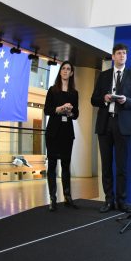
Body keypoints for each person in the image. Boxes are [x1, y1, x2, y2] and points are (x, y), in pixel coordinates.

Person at [91, 43, 131, 213]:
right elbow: (93, 100)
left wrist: (126, 100)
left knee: (121, 167)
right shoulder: (104, 75)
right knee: (106, 166)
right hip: (105, 124)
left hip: (123, 126)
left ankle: (121, 201)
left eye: (124, 53)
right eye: (119, 53)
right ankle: (108, 200)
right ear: (113, 56)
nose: (122, 56)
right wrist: (104, 98)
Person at [44, 61, 80, 211]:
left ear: (71, 73)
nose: (65, 71)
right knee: (52, 165)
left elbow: (76, 114)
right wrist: (59, 109)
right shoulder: (52, 90)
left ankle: (67, 197)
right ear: (60, 72)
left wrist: (70, 112)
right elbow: (47, 110)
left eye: (68, 69)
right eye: (63, 68)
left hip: (67, 133)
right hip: (53, 132)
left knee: (66, 165)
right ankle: (53, 199)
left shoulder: (74, 93)